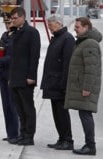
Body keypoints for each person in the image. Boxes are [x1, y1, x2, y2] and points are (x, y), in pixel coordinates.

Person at [64, 17, 102, 156]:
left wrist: (87, 88)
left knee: (86, 115)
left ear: (86, 27)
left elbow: (91, 69)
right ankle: (89, 144)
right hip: (81, 85)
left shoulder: (90, 44)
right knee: (84, 114)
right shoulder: (83, 42)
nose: (75, 29)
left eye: (78, 27)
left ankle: (90, 146)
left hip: (85, 87)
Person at [40, 15, 75, 150]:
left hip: (60, 84)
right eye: (48, 25)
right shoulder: (57, 38)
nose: (49, 27)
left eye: (51, 25)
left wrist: (64, 84)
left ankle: (68, 140)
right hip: (52, 83)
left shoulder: (67, 39)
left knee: (62, 113)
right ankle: (61, 138)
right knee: (57, 113)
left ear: (59, 23)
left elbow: (67, 64)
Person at [8, 7, 41, 145]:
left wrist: (31, 76)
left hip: (25, 77)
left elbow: (34, 56)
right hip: (15, 77)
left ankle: (29, 135)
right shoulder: (15, 33)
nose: (12, 21)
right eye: (12, 18)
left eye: (15, 18)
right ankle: (22, 133)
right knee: (19, 108)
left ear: (22, 17)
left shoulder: (31, 32)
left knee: (27, 108)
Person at [0, 12, 19, 144]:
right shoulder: (4, 35)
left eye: (9, 23)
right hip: (3, 74)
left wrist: (1, 60)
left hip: (12, 74)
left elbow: (15, 56)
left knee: (13, 105)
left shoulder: (17, 36)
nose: (7, 26)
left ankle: (16, 133)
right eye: (6, 23)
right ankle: (10, 133)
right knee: (6, 105)